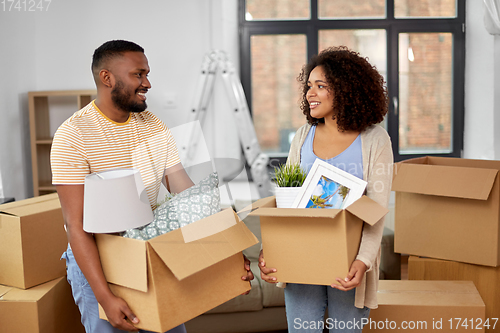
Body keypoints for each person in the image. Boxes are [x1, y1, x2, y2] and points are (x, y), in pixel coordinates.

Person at [50, 40, 254, 333]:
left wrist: (229, 253)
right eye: (138, 74)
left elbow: (187, 197)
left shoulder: (152, 125)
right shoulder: (73, 135)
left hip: (148, 252)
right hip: (98, 260)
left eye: (147, 74)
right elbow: (76, 225)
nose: (147, 83)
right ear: (107, 78)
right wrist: (105, 297)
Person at [258, 46, 393, 333]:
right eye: (309, 86)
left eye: (321, 86)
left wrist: (364, 260)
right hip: (302, 257)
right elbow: (287, 201)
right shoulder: (304, 135)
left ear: (346, 89)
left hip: (349, 261)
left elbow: (377, 209)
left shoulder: (375, 140)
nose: (310, 93)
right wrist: (271, 249)